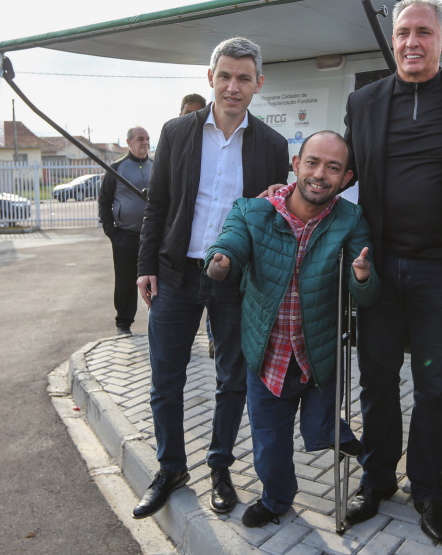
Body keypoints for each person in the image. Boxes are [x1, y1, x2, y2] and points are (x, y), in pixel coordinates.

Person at [341, 0, 442, 543]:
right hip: (376, 273)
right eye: (403, 32)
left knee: (434, 386)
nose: (410, 42)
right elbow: (339, 173)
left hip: (438, 277)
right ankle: (376, 479)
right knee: (376, 381)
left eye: (423, 32)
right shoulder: (363, 102)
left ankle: (427, 488)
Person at [133, 37, 290, 520]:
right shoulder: (177, 133)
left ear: (258, 84)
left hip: (235, 283)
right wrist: (145, 266)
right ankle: (171, 467)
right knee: (166, 379)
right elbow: (157, 204)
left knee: (232, 380)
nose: (233, 86)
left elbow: (270, 219)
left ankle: (219, 464)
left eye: (244, 78)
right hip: (177, 275)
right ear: (210, 78)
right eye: (225, 75)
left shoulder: (272, 144)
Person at [205, 130, 379, 527]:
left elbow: (366, 296)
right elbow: (231, 242)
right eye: (313, 163)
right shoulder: (253, 210)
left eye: (333, 168)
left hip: (318, 355)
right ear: (296, 165)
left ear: (346, 178)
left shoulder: (350, 219)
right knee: (269, 445)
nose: (321, 174)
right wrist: (221, 260)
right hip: (266, 354)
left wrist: (363, 276)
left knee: (318, 430)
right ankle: (277, 498)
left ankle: (329, 430)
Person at [97, 125, 151, 336]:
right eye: (140, 139)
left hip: (151, 238)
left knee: (155, 279)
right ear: (129, 142)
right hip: (125, 236)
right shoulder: (116, 168)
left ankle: (157, 321)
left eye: (147, 139)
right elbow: (105, 202)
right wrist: (112, 232)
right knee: (125, 281)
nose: (144, 142)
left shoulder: (156, 166)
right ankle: (123, 323)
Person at [177, 93, 216, 359]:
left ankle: (213, 339)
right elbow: (157, 206)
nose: (192, 118)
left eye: (197, 113)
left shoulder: (216, 147)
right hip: (180, 265)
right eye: (187, 113)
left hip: (221, 261)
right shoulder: (173, 143)